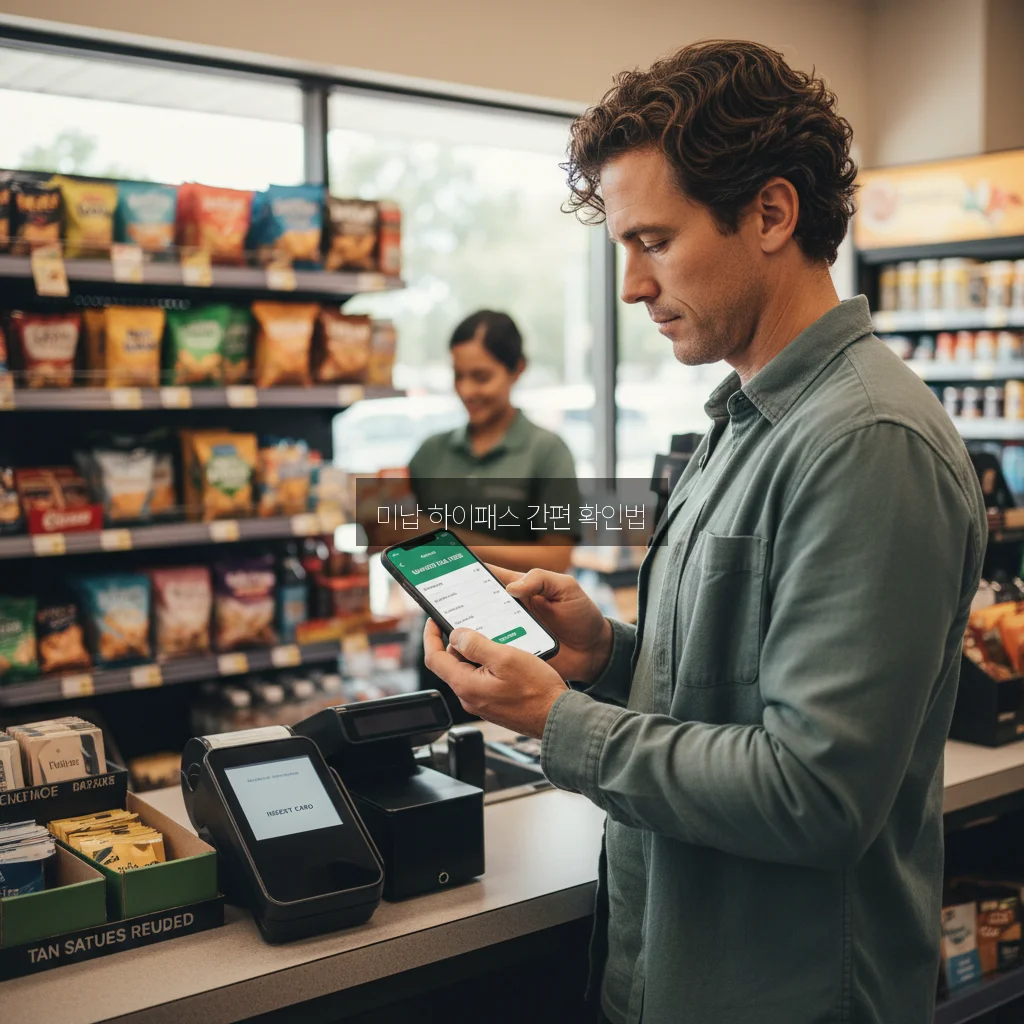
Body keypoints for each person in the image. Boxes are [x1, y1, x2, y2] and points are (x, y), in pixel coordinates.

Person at [423, 40, 987, 1024]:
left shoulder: (868, 444)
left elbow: (814, 792)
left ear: (770, 212)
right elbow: (741, 686)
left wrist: (559, 721)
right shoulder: (739, 422)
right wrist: (607, 653)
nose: (633, 287)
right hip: (671, 971)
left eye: (653, 241)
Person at [406, 310, 580, 719]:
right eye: (458, 376)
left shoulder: (546, 453)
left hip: (519, 641)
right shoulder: (431, 452)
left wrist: (452, 540)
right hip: (440, 639)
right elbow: (399, 531)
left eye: (481, 376)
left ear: (516, 369)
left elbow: (557, 558)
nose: (467, 390)